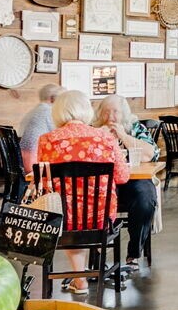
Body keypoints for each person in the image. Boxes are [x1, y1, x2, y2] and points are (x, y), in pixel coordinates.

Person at [35, 90, 131, 293]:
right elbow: (123, 177)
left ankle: (80, 280)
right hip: (100, 217)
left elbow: (43, 181)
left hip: (63, 219)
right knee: (87, 214)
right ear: (86, 111)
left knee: (69, 213)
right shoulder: (104, 138)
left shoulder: (46, 141)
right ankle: (92, 270)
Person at [96, 95, 160, 269]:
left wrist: (123, 136)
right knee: (89, 199)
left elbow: (150, 154)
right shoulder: (92, 130)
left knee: (145, 199)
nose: (110, 117)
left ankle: (133, 254)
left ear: (124, 113)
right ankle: (98, 253)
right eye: (106, 112)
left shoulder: (134, 128)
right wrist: (101, 137)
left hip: (132, 181)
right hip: (102, 184)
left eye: (115, 112)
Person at [17, 82, 61, 170]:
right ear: (53, 99)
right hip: (34, 163)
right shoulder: (48, 111)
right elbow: (59, 134)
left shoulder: (35, 111)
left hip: (22, 158)